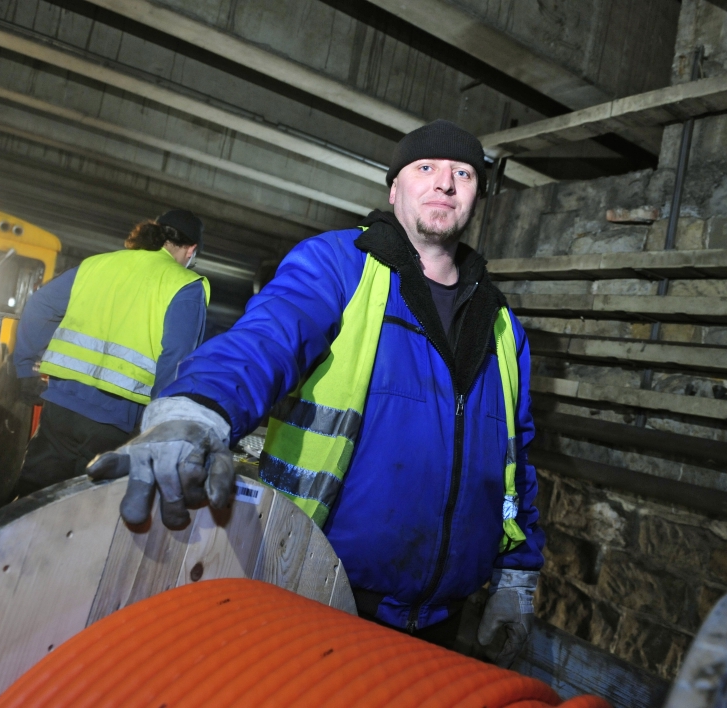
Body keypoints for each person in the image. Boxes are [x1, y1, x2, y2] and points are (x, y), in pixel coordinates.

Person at [88, 121, 544, 667]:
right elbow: (267, 338)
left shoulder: (502, 326)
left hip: (442, 627)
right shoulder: (340, 266)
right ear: (394, 188)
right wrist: (196, 410)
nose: (444, 183)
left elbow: (517, 460)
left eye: (462, 174)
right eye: (426, 168)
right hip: (318, 596)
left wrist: (517, 576)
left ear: (476, 197)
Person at [12, 209, 210, 498]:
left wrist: (24, 367)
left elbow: (40, 306)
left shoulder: (97, 265)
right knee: (86, 513)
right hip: (117, 425)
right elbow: (176, 358)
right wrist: (159, 423)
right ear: (191, 250)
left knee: (29, 502)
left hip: (60, 408)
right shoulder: (184, 285)